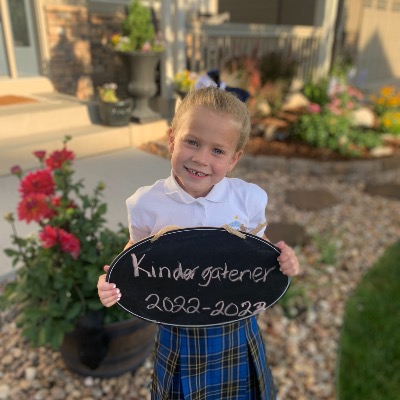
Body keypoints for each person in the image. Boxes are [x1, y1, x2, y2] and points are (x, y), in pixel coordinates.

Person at [97, 87, 300, 399]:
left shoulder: (247, 199)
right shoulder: (147, 204)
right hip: (177, 329)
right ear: (172, 140)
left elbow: (260, 247)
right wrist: (113, 281)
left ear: (234, 159)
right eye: (192, 142)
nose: (200, 158)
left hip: (235, 327)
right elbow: (135, 253)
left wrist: (284, 260)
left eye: (217, 151)